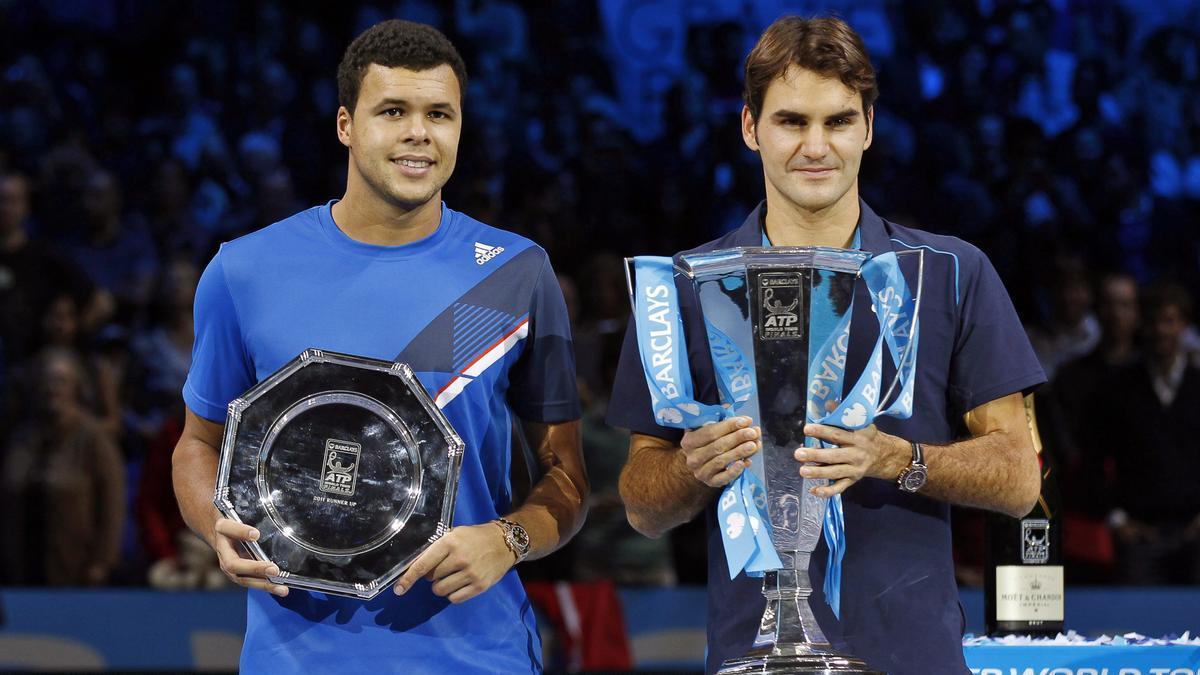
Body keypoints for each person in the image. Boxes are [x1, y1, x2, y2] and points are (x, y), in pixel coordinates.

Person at [608, 17, 1044, 675]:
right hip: (751, 657)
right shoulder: (687, 285)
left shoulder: (951, 272)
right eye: (792, 122)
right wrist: (692, 468)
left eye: (838, 122)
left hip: (912, 655)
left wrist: (900, 457)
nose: (816, 147)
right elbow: (641, 503)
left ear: (868, 128)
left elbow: (1018, 477)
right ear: (751, 127)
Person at [172, 20, 588, 674]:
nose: (418, 132)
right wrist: (211, 523)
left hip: (477, 656)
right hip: (296, 658)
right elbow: (196, 444)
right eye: (393, 110)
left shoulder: (515, 274)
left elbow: (567, 480)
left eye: (439, 113)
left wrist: (507, 539)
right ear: (345, 124)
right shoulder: (243, 271)